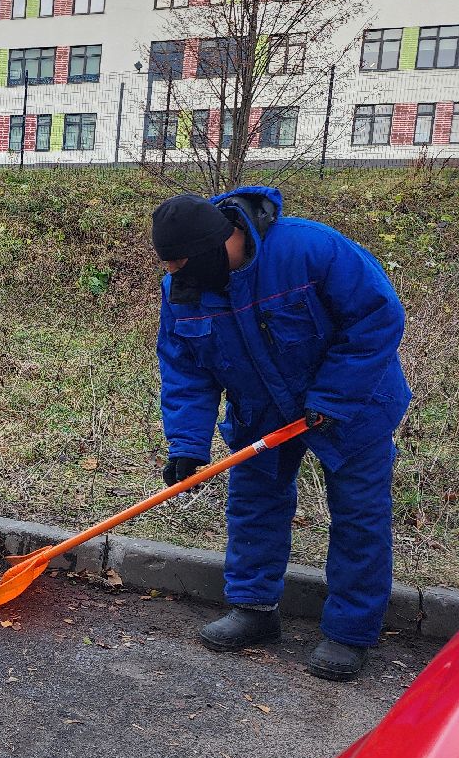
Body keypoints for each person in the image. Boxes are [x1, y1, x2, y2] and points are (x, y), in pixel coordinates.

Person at [151, 187, 410, 681]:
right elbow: (185, 369)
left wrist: (333, 398)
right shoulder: (184, 290)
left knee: (358, 516)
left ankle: (349, 633)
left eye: (180, 263)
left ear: (213, 246)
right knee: (255, 503)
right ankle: (254, 608)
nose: (174, 276)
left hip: (355, 404)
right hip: (260, 409)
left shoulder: (309, 249)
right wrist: (186, 444)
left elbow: (377, 318)